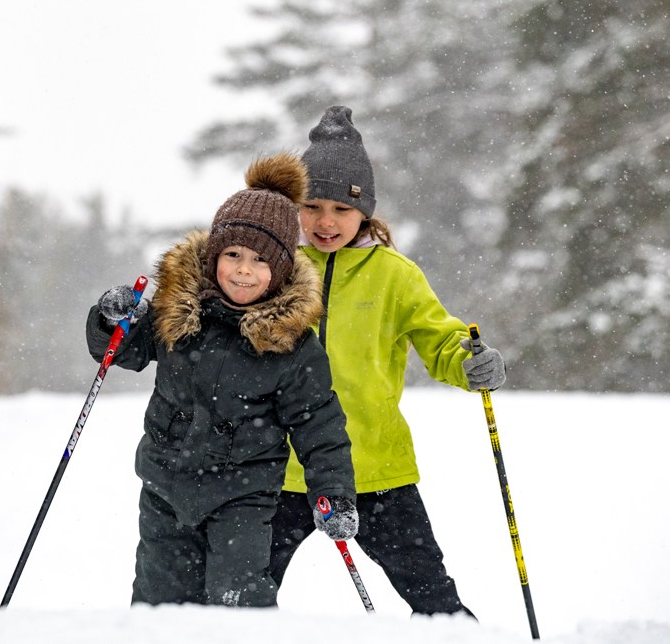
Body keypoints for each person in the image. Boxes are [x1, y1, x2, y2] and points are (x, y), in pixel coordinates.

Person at [87, 152, 358, 608]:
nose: (243, 270)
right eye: (232, 254)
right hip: (165, 488)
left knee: (237, 602)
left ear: (282, 270)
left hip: (243, 497)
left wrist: (334, 493)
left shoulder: (292, 344)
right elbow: (120, 352)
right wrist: (111, 320)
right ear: (215, 255)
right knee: (159, 602)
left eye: (259, 260)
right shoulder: (178, 313)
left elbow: (319, 425)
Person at [269, 105, 507, 617]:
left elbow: (438, 339)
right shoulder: (275, 269)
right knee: (235, 599)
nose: (326, 221)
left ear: (365, 212)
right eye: (312, 206)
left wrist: (468, 364)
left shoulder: (395, 275)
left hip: (372, 466)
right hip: (278, 467)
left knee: (435, 600)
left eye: (341, 208)